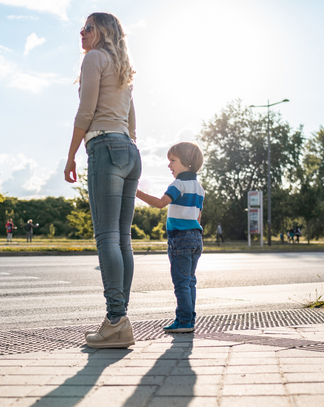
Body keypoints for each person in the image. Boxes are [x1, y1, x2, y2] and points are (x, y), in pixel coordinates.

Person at [64, 12, 141, 349]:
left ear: (103, 31)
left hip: (105, 147)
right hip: (128, 150)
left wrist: (71, 155)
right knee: (122, 238)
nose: (82, 32)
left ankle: (115, 320)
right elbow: (132, 119)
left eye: (88, 27)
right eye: (81, 28)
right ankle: (118, 319)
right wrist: (127, 148)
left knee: (107, 237)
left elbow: (86, 110)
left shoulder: (94, 58)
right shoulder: (123, 68)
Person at [136, 142, 204, 333]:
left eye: (172, 160)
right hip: (195, 238)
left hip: (180, 239)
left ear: (187, 162)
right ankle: (189, 318)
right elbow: (198, 216)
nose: (169, 165)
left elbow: (159, 203)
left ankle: (184, 321)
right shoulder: (199, 188)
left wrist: (135, 191)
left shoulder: (178, 184)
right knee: (190, 281)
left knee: (181, 282)